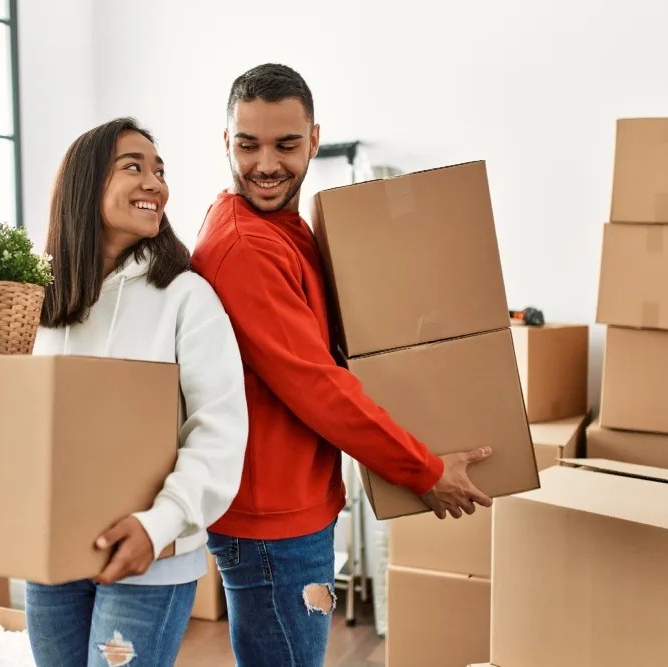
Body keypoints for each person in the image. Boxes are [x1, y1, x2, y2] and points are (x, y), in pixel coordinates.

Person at [191, 63, 493, 666]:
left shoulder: (284, 229)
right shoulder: (246, 247)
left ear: (315, 139)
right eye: (248, 145)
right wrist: (422, 468)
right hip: (272, 521)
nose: (267, 164)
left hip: (294, 506)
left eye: (287, 144)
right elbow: (317, 386)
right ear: (226, 141)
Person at [26, 117, 249, 667]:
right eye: (134, 167)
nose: (155, 183)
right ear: (85, 184)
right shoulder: (40, 298)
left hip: (153, 554)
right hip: (50, 551)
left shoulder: (186, 296)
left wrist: (159, 525)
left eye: (159, 171)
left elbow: (219, 430)